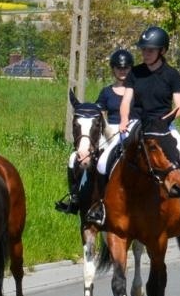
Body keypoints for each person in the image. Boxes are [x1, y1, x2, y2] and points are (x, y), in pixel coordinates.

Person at [88, 25, 180, 228]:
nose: (145, 53)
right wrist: (125, 120)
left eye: (150, 50)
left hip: (164, 124)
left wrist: (165, 120)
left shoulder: (172, 75)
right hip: (139, 123)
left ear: (162, 51)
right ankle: (100, 207)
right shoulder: (135, 73)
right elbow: (126, 100)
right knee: (102, 163)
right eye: (143, 50)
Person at [55, 48, 132, 216]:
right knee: (76, 158)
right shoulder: (106, 92)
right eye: (119, 68)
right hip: (111, 132)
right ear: (113, 69)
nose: (122, 71)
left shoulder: (135, 91)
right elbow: (97, 114)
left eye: (126, 67)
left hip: (132, 128)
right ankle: (75, 198)